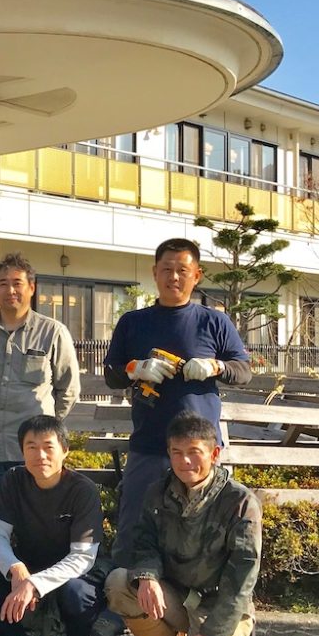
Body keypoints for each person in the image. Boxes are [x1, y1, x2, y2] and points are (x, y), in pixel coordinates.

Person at [103, 238, 251, 568]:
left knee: (201, 534)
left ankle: (192, 596)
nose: (174, 277)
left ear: (196, 275)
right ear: (154, 273)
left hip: (198, 450)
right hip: (149, 444)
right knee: (133, 527)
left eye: (182, 270)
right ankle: (122, 593)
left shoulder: (214, 322)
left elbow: (243, 371)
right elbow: (111, 374)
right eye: (167, 269)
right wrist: (134, 368)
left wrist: (216, 366)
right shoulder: (133, 322)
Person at [105, 412, 261, 636]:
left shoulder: (239, 502)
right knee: (119, 583)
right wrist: (147, 577)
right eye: (176, 452)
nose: (184, 461)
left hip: (219, 607)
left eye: (194, 452)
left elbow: (242, 578)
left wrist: (212, 635)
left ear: (214, 454)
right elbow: (145, 542)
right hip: (178, 596)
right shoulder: (158, 491)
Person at [0, 252, 81, 545]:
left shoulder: (53, 332)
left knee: (33, 525)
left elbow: (68, 389)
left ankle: (31, 576)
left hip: (31, 453)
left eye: (17, 283)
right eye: (3, 283)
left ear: (31, 287)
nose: (10, 290)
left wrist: (43, 430)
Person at [0, 416, 106, 636]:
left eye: (48, 447)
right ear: (22, 451)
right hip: (29, 562)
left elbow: (82, 557)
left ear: (65, 450)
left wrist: (34, 583)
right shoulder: (14, 480)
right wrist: (15, 567)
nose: (40, 455)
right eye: (31, 447)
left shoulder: (83, 490)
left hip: (74, 573)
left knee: (76, 592)